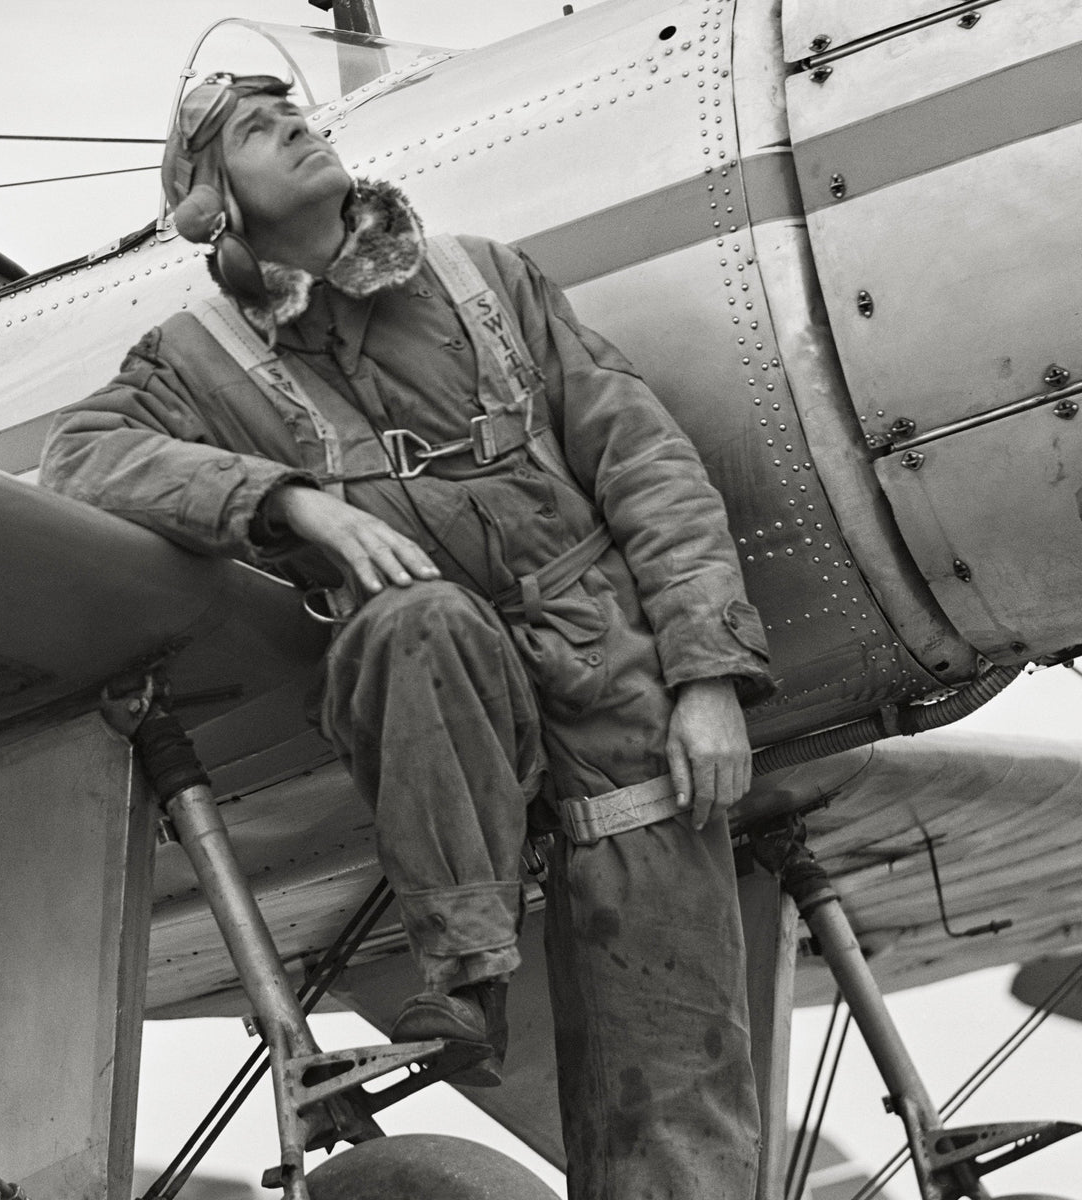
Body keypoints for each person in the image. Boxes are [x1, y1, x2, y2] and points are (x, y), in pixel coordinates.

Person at [40, 73, 775, 1200]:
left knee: (680, 1071)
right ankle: (466, 974)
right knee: (415, 620)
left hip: (615, 677)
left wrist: (709, 677)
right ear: (210, 204)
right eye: (255, 130)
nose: (297, 127)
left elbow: (647, 464)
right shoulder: (194, 358)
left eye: (297, 113)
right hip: (433, 678)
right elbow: (80, 459)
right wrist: (287, 500)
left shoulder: (487, 278)